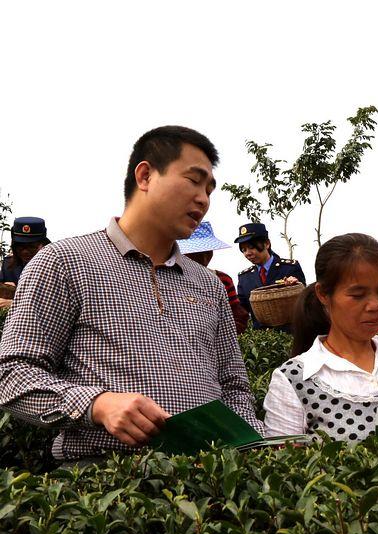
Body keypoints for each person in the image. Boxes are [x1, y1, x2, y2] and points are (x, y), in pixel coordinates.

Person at [0, 125, 268, 461]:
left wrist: (255, 447)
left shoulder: (208, 283)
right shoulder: (64, 262)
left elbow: (235, 388)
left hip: (212, 484)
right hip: (107, 487)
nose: (204, 198)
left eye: (210, 189)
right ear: (145, 176)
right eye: (194, 180)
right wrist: (97, 404)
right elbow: (11, 374)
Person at [263, 233, 378, 442]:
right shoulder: (293, 380)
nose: (375, 306)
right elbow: (284, 467)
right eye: (357, 295)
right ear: (323, 294)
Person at [177, 220, 250, 335]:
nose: (204, 256)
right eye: (196, 252)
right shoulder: (169, 279)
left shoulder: (222, 279)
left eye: (207, 251)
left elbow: (238, 316)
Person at [235, 223, 305, 329]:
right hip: (261, 341)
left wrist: (295, 287)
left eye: (251, 247)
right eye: (244, 250)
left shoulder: (289, 268)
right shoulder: (244, 278)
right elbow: (241, 310)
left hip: (291, 336)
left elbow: (304, 302)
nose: (247, 253)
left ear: (266, 244)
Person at [0, 217, 51, 309]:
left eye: (32, 246)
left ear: (43, 245)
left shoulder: (54, 267)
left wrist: (15, 305)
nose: (25, 252)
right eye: (20, 247)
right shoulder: (8, 264)